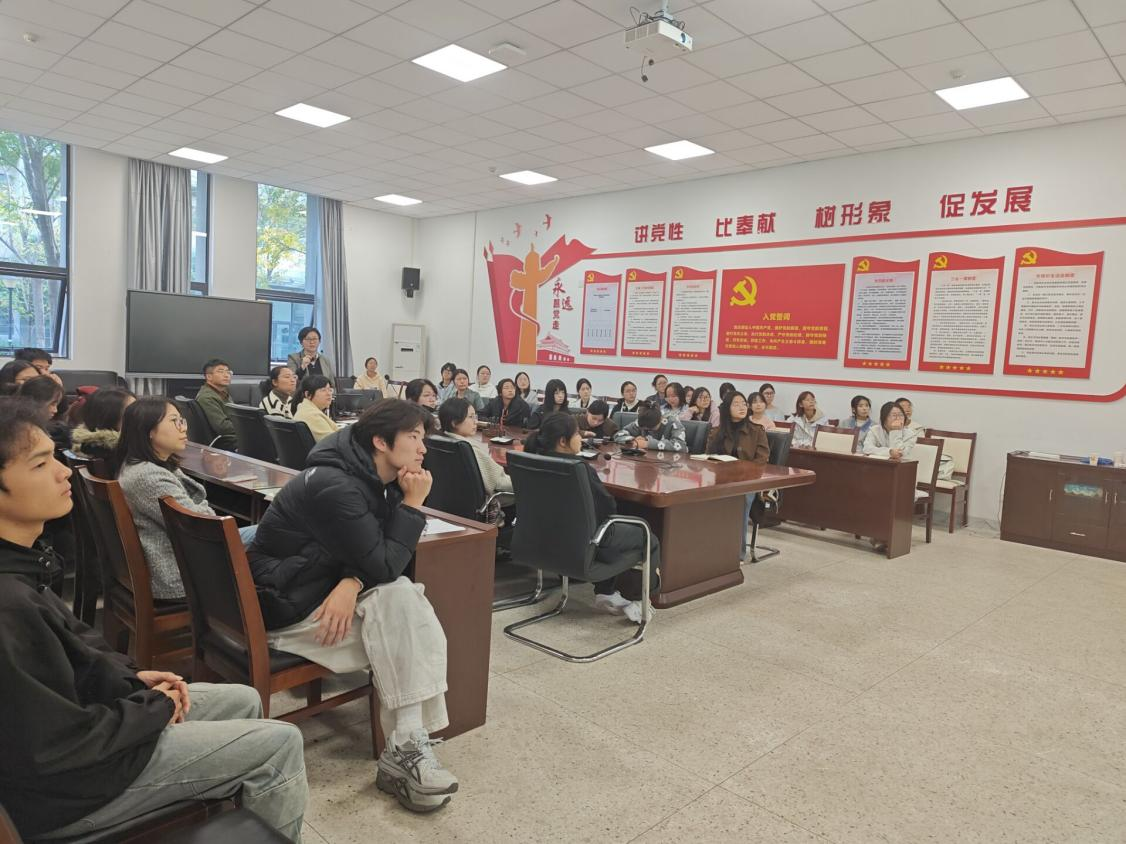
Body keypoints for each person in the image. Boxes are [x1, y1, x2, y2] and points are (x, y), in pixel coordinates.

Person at [0, 399, 307, 843]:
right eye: (41, 463)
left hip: (89, 734)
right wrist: (153, 708)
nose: (64, 471)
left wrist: (133, 678)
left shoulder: (25, 567)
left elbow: (76, 657)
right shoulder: (9, 605)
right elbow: (56, 747)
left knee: (243, 699)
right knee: (281, 743)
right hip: (74, 790)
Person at [247, 400, 459, 813]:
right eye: (414, 437)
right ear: (380, 441)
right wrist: (413, 504)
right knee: (409, 628)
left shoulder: (363, 475)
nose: (423, 449)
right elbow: (384, 561)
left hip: (306, 586)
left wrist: (353, 580)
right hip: (284, 609)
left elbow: (365, 550)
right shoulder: (338, 486)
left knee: (401, 601)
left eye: (423, 438)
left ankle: (407, 745)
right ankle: (407, 751)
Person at [523, 411, 660, 623]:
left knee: (610, 530)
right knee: (648, 537)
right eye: (577, 434)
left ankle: (606, 591)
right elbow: (606, 508)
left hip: (543, 542)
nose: (581, 438)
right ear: (563, 441)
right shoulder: (577, 468)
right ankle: (640, 600)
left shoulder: (532, 460)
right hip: (582, 546)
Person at [114, 398, 217, 600]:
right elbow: (202, 525)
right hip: (179, 575)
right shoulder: (148, 477)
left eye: (182, 420)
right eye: (173, 421)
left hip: (183, 559)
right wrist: (204, 507)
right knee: (268, 536)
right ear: (148, 430)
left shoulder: (146, 465)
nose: (183, 428)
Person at [707, 390, 769, 562]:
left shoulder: (757, 431)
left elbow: (761, 461)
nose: (742, 407)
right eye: (736, 404)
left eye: (744, 403)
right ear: (727, 408)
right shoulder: (716, 432)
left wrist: (741, 471)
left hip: (747, 483)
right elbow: (708, 458)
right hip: (720, 480)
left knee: (740, 500)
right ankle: (708, 547)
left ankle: (736, 554)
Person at [438, 398, 512, 502]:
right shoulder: (467, 448)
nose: (476, 421)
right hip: (494, 501)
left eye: (475, 416)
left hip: (452, 500)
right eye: (470, 417)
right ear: (454, 423)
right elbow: (499, 483)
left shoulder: (440, 441)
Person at [71, 387, 135, 462]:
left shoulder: (86, 445)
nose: (140, 417)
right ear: (109, 419)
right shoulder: (120, 452)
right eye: (132, 414)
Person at [194, 358, 237, 450]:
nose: (226, 375)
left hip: (232, 437)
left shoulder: (222, 393)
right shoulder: (207, 397)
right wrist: (246, 427)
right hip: (224, 441)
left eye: (228, 372)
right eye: (221, 372)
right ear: (209, 376)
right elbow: (223, 427)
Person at [613, 403, 687, 452]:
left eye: (651, 428)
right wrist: (633, 440)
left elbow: (681, 446)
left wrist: (648, 444)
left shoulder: (673, 423)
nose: (649, 431)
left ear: (661, 419)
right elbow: (619, 434)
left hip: (668, 463)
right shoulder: (642, 421)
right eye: (645, 429)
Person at [293, 374, 338, 443]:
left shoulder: (306, 409)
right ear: (308, 394)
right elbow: (335, 443)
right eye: (323, 390)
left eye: (330, 390)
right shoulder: (312, 415)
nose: (329, 394)